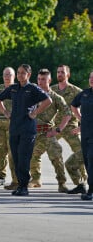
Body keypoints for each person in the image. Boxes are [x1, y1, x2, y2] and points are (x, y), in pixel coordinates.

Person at [0, 64, 52, 196]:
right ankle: (20, 185)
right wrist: (4, 111)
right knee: (15, 158)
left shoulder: (32, 88)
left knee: (24, 158)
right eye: (19, 72)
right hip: (14, 128)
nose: (20, 75)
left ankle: (24, 187)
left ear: (29, 75)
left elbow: (47, 100)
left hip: (27, 129)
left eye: (23, 73)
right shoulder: (13, 88)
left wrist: (35, 113)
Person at [28, 69, 71, 192]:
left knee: (56, 156)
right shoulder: (32, 95)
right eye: (39, 79)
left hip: (48, 133)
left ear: (49, 80)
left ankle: (62, 183)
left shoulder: (55, 97)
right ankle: (35, 179)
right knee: (32, 157)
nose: (40, 82)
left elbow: (67, 114)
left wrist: (58, 129)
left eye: (43, 79)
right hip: (34, 132)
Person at [51, 65, 87, 194]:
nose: (60, 74)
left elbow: (86, 109)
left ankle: (83, 182)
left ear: (68, 75)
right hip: (56, 127)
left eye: (62, 72)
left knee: (81, 153)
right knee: (37, 150)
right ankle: (36, 179)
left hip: (71, 126)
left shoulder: (77, 91)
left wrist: (82, 125)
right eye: (58, 72)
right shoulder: (52, 90)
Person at [71, 71, 93, 200]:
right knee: (87, 161)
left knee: (91, 160)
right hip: (85, 134)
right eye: (90, 78)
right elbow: (74, 105)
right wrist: (80, 119)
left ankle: (90, 190)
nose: (92, 80)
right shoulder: (84, 94)